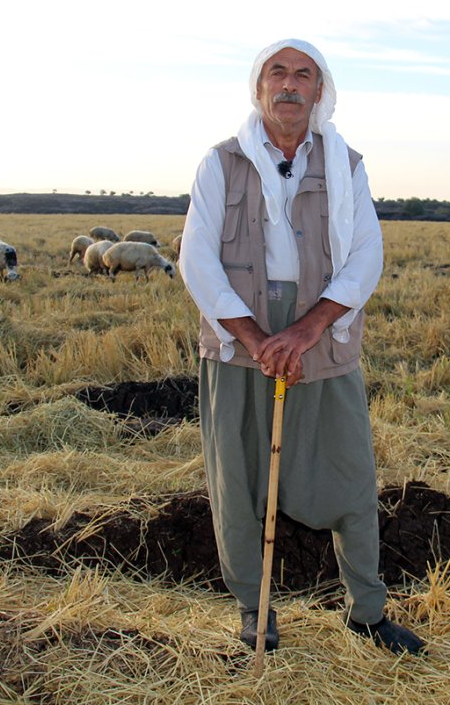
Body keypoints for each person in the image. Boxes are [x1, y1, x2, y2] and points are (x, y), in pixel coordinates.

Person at [179, 38, 424, 656]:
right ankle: (253, 617)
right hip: (238, 342)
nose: (290, 85)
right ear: (259, 88)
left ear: (321, 91)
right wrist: (258, 337)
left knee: (350, 475)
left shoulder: (347, 163)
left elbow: (367, 255)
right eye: (278, 73)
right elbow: (196, 260)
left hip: (323, 337)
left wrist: (309, 328)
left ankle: (366, 613)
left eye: (304, 75)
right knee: (238, 482)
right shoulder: (221, 162)